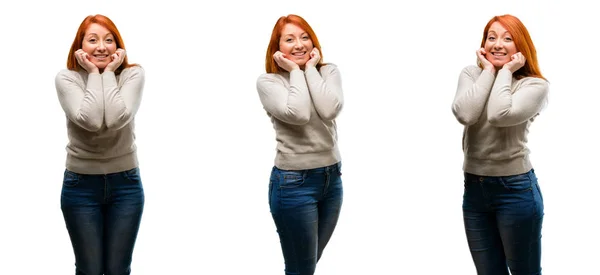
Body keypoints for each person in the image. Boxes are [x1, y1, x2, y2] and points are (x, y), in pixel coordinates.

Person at [451, 14, 548, 275]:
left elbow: (499, 114)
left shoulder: (534, 85)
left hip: (515, 190)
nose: (497, 44)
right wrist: (489, 71)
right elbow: (466, 115)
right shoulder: (471, 74)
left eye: (507, 38)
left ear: (521, 47)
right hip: (474, 190)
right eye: (491, 37)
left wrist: (505, 72)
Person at [55, 14, 145, 275]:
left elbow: (117, 118)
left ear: (118, 46)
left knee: (118, 269)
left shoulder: (132, 74)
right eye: (92, 40)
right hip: (80, 186)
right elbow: (92, 120)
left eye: (109, 40)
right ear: (79, 46)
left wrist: (107, 74)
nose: (101, 47)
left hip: (126, 185)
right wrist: (96, 72)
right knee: (89, 269)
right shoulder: (67, 79)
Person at [256, 14, 344, 275]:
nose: (299, 45)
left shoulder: (328, 72)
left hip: (331, 180)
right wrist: (295, 71)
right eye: (290, 39)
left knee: (306, 265)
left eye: (305, 37)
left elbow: (328, 110)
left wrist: (309, 70)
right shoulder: (269, 82)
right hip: (293, 184)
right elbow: (299, 113)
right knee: (301, 268)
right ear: (277, 48)